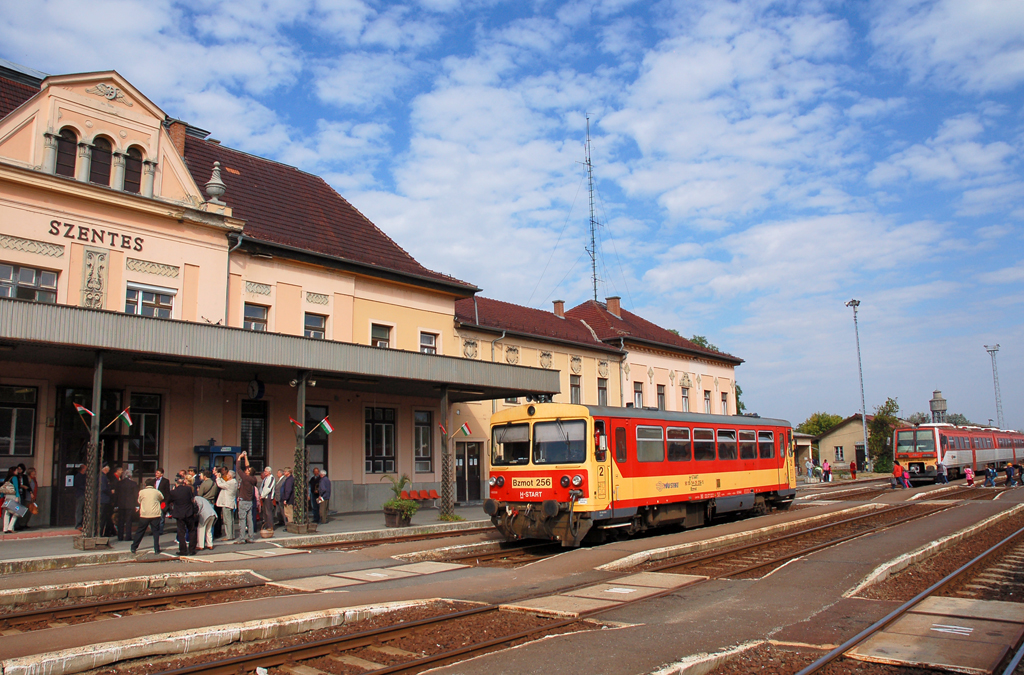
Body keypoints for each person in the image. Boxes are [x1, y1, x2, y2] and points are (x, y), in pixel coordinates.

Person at [131, 478, 163, 555]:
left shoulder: (142, 492)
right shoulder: (156, 492)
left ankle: (134, 547)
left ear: (145, 485)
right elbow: (161, 498)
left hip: (144, 514)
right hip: (155, 514)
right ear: (154, 484)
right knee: (155, 532)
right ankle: (156, 548)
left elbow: (139, 501)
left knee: (140, 531)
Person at [167, 475, 197, 556]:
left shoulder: (173, 492)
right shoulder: (188, 489)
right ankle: (192, 549)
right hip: (189, 512)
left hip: (179, 513)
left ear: (176, 484)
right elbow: (192, 498)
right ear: (183, 483)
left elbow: (169, 501)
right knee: (192, 531)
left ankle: (183, 550)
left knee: (181, 532)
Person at [235, 452, 259, 544]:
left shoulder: (245, 478)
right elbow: (247, 466)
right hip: (249, 501)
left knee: (242, 520)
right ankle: (251, 537)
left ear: (249, 473)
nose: (246, 470)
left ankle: (242, 538)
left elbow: (238, 468)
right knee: (250, 520)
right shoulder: (253, 479)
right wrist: (245, 457)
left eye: (248, 470)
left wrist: (239, 457)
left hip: (243, 501)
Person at [115, 469, 139, 541]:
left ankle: (120, 536)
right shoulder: (133, 484)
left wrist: (116, 504)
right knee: (129, 521)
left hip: (121, 504)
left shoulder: (119, 483)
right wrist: (137, 505)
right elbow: (135, 495)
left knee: (121, 521)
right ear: (130, 475)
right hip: (130, 504)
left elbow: (116, 495)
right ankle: (128, 536)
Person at [215, 468, 238, 541]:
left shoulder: (230, 483)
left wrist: (218, 478)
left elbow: (220, 485)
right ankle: (232, 534)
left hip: (227, 503)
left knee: (227, 520)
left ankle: (229, 535)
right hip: (230, 503)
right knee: (231, 520)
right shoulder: (233, 482)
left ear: (230, 476)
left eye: (228, 475)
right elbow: (224, 483)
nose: (227, 476)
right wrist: (220, 477)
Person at [2, 466, 22, 533]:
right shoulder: (15, 478)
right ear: (13, 471)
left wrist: (2, 496)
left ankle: (5, 528)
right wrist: (17, 497)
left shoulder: (7, 478)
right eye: (16, 470)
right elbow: (16, 487)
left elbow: (4, 488)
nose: (17, 471)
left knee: (7, 512)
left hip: (7, 496)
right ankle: (10, 527)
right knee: (16, 512)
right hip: (13, 496)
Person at [99, 464, 117, 537]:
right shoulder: (103, 477)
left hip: (104, 499)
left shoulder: (103, 476)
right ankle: (100, 533)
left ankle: (107, 531)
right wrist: (110, 491)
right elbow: (103, 488)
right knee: (103, 517)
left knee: (106, 517)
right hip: (104, 499)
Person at [152, 468, 171, 536]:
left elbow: (167, 492)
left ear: (161, 474)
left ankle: (160, 530)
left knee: (161, 516)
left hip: (162, 501)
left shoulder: (165, 481)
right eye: (156, 473)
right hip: (154, 501)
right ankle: (154, 530)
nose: (156, 474)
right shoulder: (153, 481)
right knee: (154, 516)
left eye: (158, 473)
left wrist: (166, 501)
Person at [258, 466, 276, 534]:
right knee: (265, 513)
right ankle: (266, 525)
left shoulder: (271, 478)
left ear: (269, 472)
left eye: (265, 471)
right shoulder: (266, 478)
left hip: (267, 497)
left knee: (268, 512)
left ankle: (270, 526)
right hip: (264, 497)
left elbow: (268, 488)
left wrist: (263, 495)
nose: (264, 472)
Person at [73, 464, 87, 529]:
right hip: (80, 494)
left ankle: (84, 523)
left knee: (84, 509)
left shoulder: (85, 476)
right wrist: (86, 488)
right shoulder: (78, 476)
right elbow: (78, 485)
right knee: (79, 509)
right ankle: (78, 524)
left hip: (85, 494)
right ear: (82, 469)